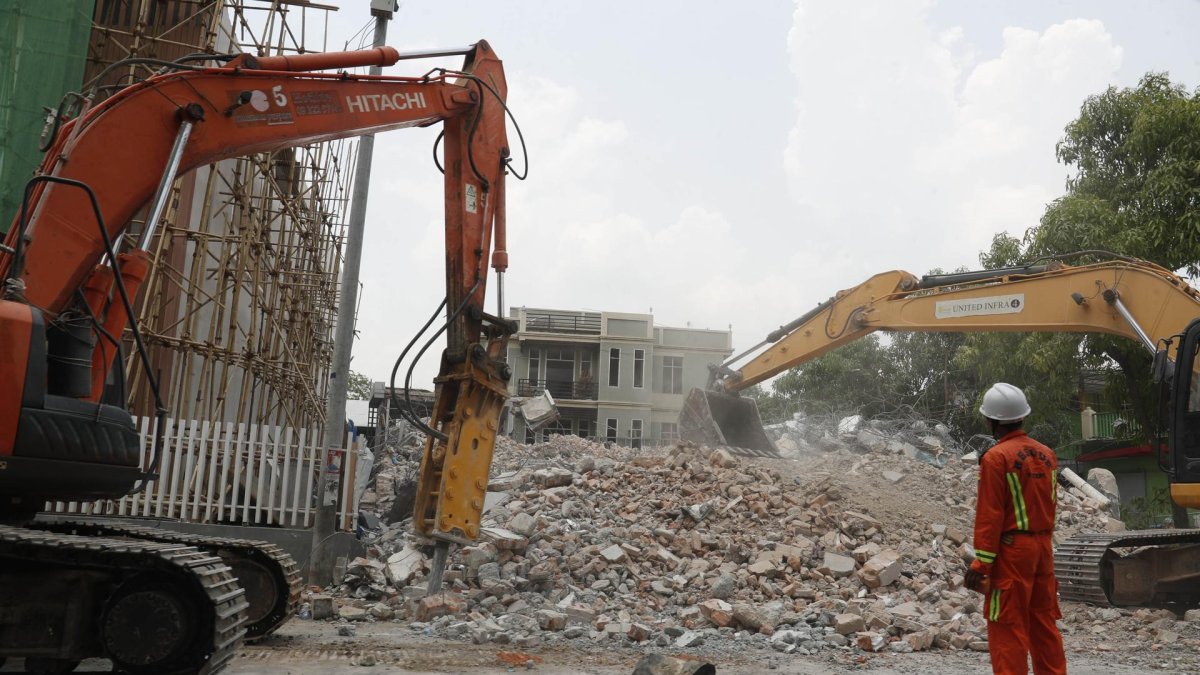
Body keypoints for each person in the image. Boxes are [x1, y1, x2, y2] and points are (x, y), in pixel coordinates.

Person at [964, 383, 1067, 675]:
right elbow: (1049, 504)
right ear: (1022, 416)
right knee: (1044, 625)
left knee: (1008, 628)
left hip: (1013, 554)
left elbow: (990, 515)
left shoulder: (996, 458)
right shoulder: (1047, 455)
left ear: (991, 420)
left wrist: (981, 564)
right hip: (1042, 549)